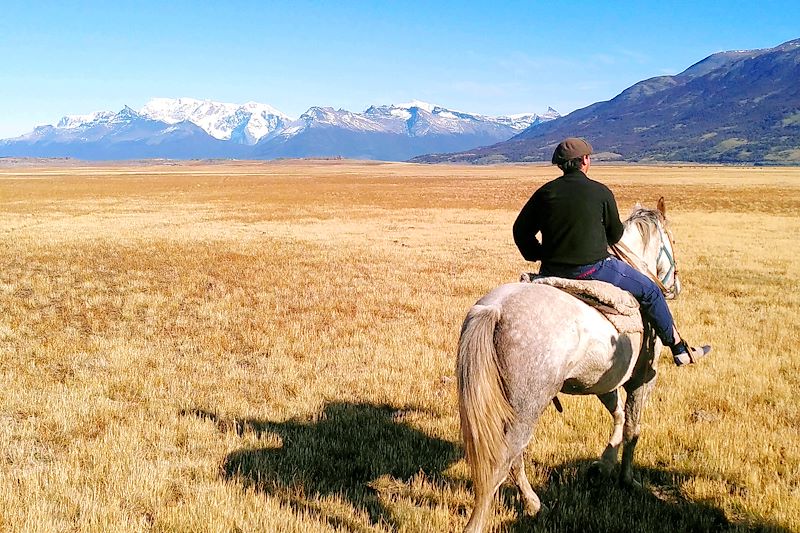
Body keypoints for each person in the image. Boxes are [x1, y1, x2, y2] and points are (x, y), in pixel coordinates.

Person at [512, 137, 710, 366]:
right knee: (651, 291)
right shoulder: (600, 192)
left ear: (561, 164)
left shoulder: (545, 192)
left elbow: (520, 230)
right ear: (584, 160)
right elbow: (615, 235)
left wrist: (537, 253)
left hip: (551, 270)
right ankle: (678, 348)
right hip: (593, 269)